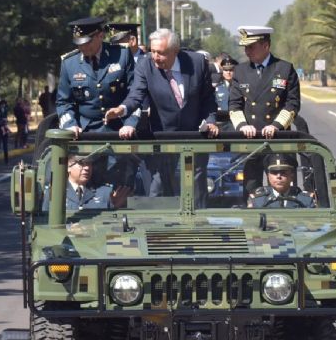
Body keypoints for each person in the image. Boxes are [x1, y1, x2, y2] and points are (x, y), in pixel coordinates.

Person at [104, 28, 218, 207]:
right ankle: (158, 227)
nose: (155, 57)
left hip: (196, 136)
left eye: (161, 53)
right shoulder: (145, 65)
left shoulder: (197, 63)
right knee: (159, 186)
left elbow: (208, 99)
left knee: (196, 184)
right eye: (153, 51)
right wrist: (122, 109)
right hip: (164, 136)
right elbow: (136, 95)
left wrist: (211, 120)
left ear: (175, 51)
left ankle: (197, 225)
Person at [228, 26, 301, 197]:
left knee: (281, 188)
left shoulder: (284, 69)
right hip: (250, 139)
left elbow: (292, 104)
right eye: (245, 47)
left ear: (266, 46)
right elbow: (234, 104)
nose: (247, 51)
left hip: (277, 139)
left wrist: (276, 125)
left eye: (251, 47)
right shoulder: (240, 71)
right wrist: (243, 126)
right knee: (251, 190)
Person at [56, 17, 138, 138]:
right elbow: (63, 102)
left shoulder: (122, 55)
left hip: (120, 131)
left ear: (100, 35)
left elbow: (135, 93)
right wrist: (69, 125)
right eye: (79, 43)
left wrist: (130, 123)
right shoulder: (69, 63)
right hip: (84, 132)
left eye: (87, 42)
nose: (82, 47)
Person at [43, 154, 131, 211]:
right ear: (68, 167)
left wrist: (114, 206)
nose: (87, 168)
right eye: (81, 163)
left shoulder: (105, 192)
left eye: (89, 164)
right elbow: (45, 222)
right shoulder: (55, 193)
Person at [247, 154, 315, 208]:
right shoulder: (258, 201)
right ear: (268, 176)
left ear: (292, 176)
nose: (278, 176)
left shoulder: (306, 200)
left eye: (283, 172)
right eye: (274, 172)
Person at [215, 56, 238, 131]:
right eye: (225, 70)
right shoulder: (216, 88)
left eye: (231, 70)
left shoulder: (241, 87)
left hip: (236, 122)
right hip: (221, 123)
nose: (228, 72)